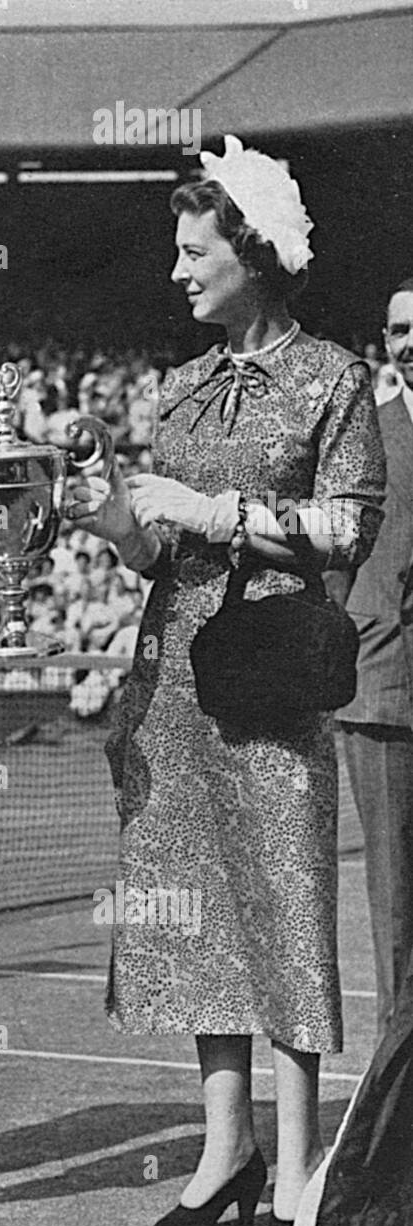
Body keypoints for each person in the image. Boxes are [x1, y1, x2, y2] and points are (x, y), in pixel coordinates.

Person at [65, 135, 386, 1226]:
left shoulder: (333, 378)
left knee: (284, 906)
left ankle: (298, 1163)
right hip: (173, 684)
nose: (179, 269)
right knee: (194, 914)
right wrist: (106, 511)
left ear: (252, 251)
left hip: (276, 676)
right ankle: (226, 1152)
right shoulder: (182, 393)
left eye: (196, 249)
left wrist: (218, 516)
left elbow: (351, 526)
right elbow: (156, 559)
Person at [336, 278, 413, 1037]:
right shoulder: (365, 431)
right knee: (395, 901)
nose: (409, 342)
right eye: (398, 330)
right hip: (386, 692)